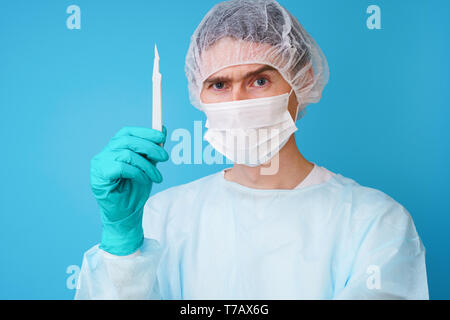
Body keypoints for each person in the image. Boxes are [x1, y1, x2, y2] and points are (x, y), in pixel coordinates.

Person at [75, 0, 428, 299]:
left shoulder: (375, 223)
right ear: (200, 93)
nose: (238, 102)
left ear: (300, 81)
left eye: (259, 80)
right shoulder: (162, 218)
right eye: (219, 84)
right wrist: (122, 245)